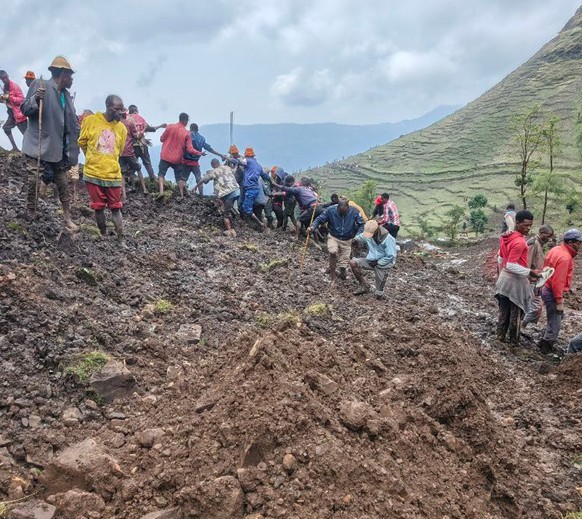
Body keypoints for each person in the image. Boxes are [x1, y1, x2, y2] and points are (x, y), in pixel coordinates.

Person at [21, 55, 80, 230]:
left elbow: (70, 123)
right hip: (37, 144)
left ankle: (67, 218)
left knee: (62, 183)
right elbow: (24, 109)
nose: (72, 79)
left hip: (58, 148)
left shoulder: (67, 96)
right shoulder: (40, 86)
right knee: (33, 179)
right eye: (70, 75)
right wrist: (35, 100)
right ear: (63, 74)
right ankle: (31, 211)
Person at [78, 95, 127, 245]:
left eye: (121, 110)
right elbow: (82, 142)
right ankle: (103, 235)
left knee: (116, 208)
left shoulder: (122, 128)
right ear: (107, 107)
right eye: (116, 110)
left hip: (112, 174)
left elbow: (119, 150)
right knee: (98, 207)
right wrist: (92, 158)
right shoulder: (91, 121)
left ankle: (120, 239)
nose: (120, 113)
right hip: (93, 173)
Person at [494, 210, 540, 345]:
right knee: (516, 315)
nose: (528, 228)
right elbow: (511, 265)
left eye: (530, 225)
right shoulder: (520, 242)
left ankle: (499, 338)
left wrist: (501, 276)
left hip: (504, 281)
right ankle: (513, 342)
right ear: (517, 223)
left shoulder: (505, 237)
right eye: (526, 225)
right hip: (515, 283)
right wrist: (530, 272)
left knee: (503, 313)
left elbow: (501, 259)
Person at [538, 229, 582, 354]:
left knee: (555, 318)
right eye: (578, 243)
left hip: (546, 287)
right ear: (570, 242)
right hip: (552, 291)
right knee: (555, 322)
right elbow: (558, 283)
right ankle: (546, 348)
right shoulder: (565, 258)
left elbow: (545, 268)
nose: (580, 245)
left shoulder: (556, 250)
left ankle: (545, 339)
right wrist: (559, 301)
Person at [309, 199, 365, 283]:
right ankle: (333, 277)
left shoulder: (354, 211)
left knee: (343, 264)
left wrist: (358, 236)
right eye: (341, 212)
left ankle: (342, 273)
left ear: (348, 208)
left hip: (347, 239)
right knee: (332, 252)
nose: (343, 214)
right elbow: (319, 219)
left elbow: (362, 224)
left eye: (345, 212)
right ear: (337, 208)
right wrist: (313, 227)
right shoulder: (331, 210)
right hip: (333, 236)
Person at [350, 219, 397, 298]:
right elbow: (360, 237)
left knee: (378, 294)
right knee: (353, 262)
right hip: (370, 260)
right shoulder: (367, 235)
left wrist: (378, 262)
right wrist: (353, 239)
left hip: (383, 264)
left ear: (376, 230)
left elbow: (391, 256)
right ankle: (364, 285)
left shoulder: (388, 239)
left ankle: (379, 292)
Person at [193, 158, 240, 237]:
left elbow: (204, 179)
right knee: (230, 206)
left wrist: (195, 187)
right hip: (237, 190)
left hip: (227, 193)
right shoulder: (227, 167)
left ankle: (230, 230)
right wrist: (237, 165)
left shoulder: (214, 171)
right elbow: (234, 170)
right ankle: (235, 216)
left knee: (225, 214)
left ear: (213, 165)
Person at [158, 112, 202, 197]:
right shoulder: (186, 133)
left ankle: (161, 192)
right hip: (177, 158)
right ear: (185, 121)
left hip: (165, 155)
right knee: (179, 178)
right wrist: (199, 153)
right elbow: (190, 149)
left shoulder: (170, 127)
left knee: (161, 174)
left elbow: (161, 139)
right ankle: (182, 195)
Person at [521, 224, 555, 329]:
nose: (549, 239)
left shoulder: (540, 244)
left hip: (536, 280)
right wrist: (530, 278)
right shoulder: (533, 243)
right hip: (530, 281)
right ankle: (522, 325)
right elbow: (526, 264)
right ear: (542, 233)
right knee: (535, 306)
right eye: (548, 236)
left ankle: (522, 325)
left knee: (533, 306)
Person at [227, 147, 270, 226]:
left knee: (245, 208)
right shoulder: (258, 172)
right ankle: (257, 226)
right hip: (258, 198)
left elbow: (237, 163)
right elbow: (267, 189)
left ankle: (258, 225)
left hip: (251, 194)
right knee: (253, 211)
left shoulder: (245, 162)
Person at [184, 123, 225, 196]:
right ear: (197, 129)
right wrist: (220, 155)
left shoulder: (187, 135)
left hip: (186, 162)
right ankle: (201, 195)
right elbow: (209, 149)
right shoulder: (201, 138)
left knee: (183, 179)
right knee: (199, 179)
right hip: (195, 162)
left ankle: (184, 194)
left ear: (190, 129)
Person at [127, 105, 166, 180]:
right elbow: (151, 129)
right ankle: (152, 177)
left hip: (131, 145)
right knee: (147, 162)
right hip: (142, 145)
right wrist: (160, 126)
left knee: (132, 164)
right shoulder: (141, 118)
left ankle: (129, 178)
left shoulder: (127, 119)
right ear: (136, 111)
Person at [120, 112, 147, 195]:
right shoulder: (130, 123)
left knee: (122, 173)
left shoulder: (115, 124)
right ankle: (145, 189)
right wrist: (142, 132)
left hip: (120, 152)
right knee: (138, 168)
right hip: (129, 151)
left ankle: (124, 194)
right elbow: (136, 136)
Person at [0, 70, 27, 151]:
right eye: (3, 79)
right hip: (12, 115)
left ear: (8, 76)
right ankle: (15, 148)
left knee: (27, 135)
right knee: (6, 128)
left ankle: (32, 153)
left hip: (20, 115)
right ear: (1, 79)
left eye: (6, 77)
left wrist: (10, 98)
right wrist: (2, 99)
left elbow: (22, 100)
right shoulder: (5, 87)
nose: (5, 80)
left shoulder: (15, 86)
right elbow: (8, 102)